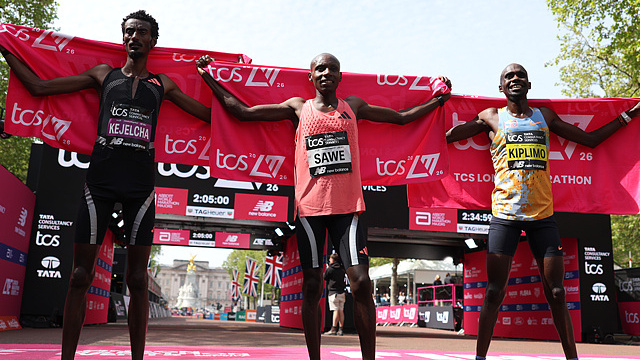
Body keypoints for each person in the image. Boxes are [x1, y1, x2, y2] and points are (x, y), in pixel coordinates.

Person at [196, 52, 451, 360]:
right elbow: (242, 112)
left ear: (340, 77)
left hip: (349, 207)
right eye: (320, 68)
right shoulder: (297, 108)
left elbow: (400, 118)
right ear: (311, 77)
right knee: (312, 284)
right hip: (310, 210)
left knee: (361, 282)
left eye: (332, 68)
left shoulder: (352, 106)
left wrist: (438, 101)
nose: (326, 72)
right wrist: (208, 76)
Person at [0, 10, 211, 360]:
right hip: (98, 183)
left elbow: (208, 116)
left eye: (141, 32)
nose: (134, 37)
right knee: (79, 275)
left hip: (140, 187)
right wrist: (6, 48)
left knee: (139, 280)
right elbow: (39, 87)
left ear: (152, 41)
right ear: (123, 37)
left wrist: (211, 78)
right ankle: (66, 357)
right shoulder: (104, 75)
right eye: (129, 32)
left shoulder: (163, 85)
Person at [446, 63, 640, 360]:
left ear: (529, 84)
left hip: (542, 217)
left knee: (558, 293)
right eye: (508, 76)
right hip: (505, 217)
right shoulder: (491, 117)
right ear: (501, 88)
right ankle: (480, 358)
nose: (515, 79)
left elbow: (590, 141)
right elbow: (445, 138)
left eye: (520, 75)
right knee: (494, 292)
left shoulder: (544, 117)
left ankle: (572, 358)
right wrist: (437, 102)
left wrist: (628, 116)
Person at [323, 253, 347, 336]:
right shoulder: (342, 269)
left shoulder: (330, 269)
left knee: (335, 310)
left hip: (333, 293)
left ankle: (333, 328)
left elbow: (325, 277)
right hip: (342, 292)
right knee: (341, 310)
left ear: (332, 260)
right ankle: (341, 329)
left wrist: (327, 268)